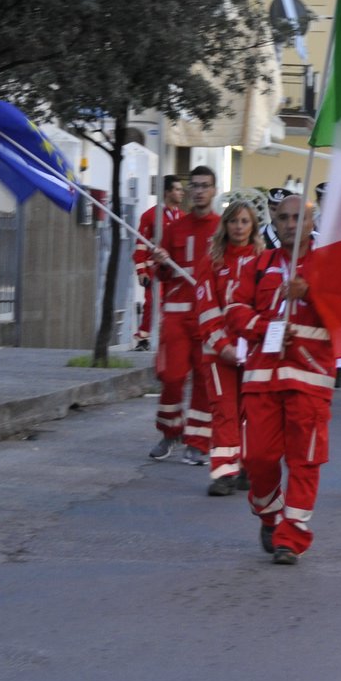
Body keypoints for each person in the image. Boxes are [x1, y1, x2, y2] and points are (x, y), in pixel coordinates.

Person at [228, 196, 336, 564]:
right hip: (262, 379)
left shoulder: (328, 267)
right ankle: (271, 516)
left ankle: (291, 536)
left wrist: (312, 292)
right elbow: (236, 309)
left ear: (311, 222)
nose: (291, 224)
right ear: (274, 220)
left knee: (304, 461)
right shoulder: (259, 265)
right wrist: (265, 326)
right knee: (258, 458)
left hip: (310, 380)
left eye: (299, 218)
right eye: (285, 218)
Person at [149, 166, 220, 464]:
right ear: (189, 190)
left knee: (205, 379)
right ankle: (169, 432)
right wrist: (161, 260)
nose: (199, 191)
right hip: (177, 315)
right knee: (172, 376)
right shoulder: (175, 228)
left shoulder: (222, 228)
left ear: (214, 190)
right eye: (195, 186)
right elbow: (162, 274)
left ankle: (199, 440)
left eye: (205, 186)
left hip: (207, 315)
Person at [194, 199, 261, 496]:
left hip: (253, 351)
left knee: (251, 412)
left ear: (253, 226)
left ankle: (246, 466)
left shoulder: (263, 259)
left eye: (245, 221)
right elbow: (206, 308)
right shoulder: (211, 261)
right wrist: (222, 345)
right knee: (225, 411)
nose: (239, 227)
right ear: (226, 225)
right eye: (234, 221)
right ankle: (223, 472)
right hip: (217, 351)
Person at [132, 174, 183, 350]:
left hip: (176, 272)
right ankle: (143, 338)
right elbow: (140, 246)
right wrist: (141, 271)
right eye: (177, 189)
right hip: (154, 270)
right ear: (167, 192)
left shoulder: (182, 218)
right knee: (153, 303)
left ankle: (168, 337)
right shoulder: (150, 216)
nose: (181, 193)